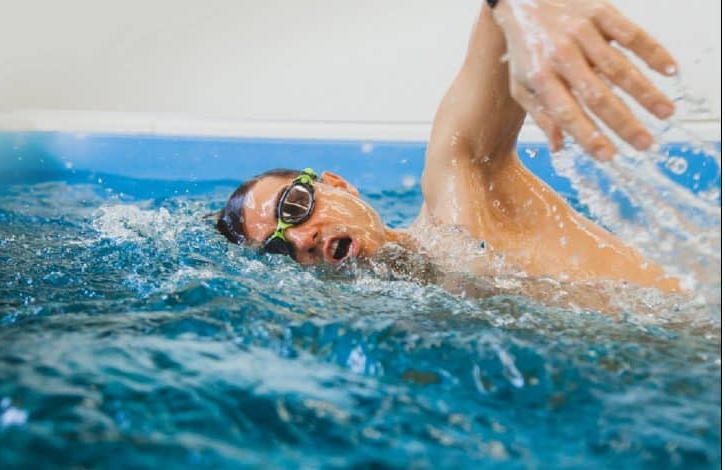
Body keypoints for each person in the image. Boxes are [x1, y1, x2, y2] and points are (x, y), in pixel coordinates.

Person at [215, 0, 682, 308]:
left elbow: (494, 22)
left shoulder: (462, 188)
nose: (301, 240)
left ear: (338, 184)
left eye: (294, 208)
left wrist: (524, 9)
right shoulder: (412, 324)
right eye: (279, 250)